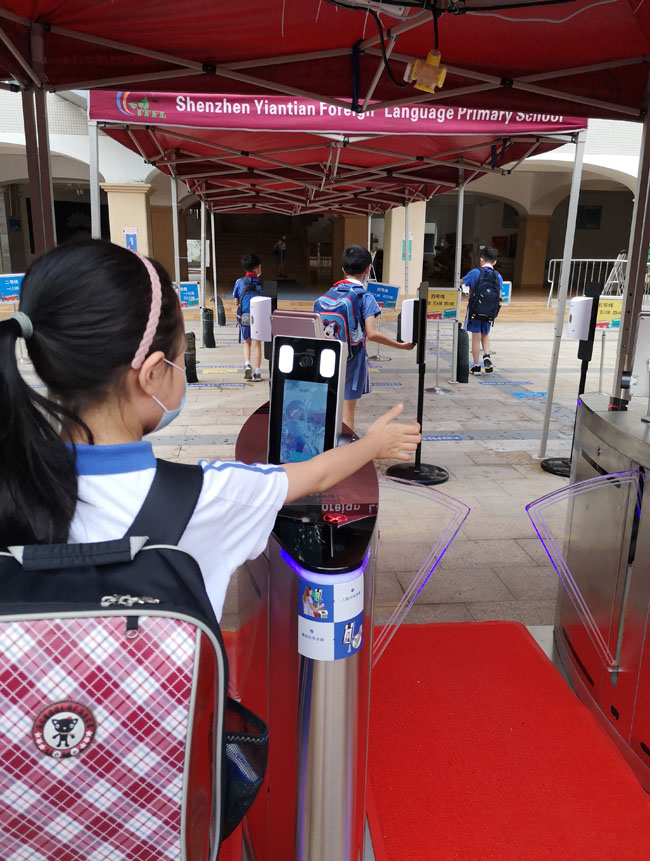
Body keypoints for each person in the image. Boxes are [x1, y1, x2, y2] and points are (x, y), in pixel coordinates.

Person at [0, 239, 420, 623]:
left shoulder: (12, 482)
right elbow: (316, 475)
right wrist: (373, 444)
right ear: (150, 375)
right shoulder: (210, 497)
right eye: (180, 358)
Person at [324, 244, 413, 432]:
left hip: (328, 357)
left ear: (343, 269)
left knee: (329, 406)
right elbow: (372, 333)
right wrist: (400, 346)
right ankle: (347, 452)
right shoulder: (365, 297)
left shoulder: (329, 294)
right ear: (367, 269)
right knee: (348, 412)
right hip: (353, 358)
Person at [461, 245, 503, 375]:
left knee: (475, 337)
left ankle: (476, 366)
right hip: (490, 310)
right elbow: (500, 295)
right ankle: (486, 355)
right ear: (495, 262)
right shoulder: (498, 276)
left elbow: (461, 282)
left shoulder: (475, 272)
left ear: (481, 259)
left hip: (475, 310)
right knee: (485, 334)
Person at [233, 253, 263, 381]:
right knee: (257, 343)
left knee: (247, 342)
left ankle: (247, 365)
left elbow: (236, 302)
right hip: (259, 316)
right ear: (256, 269)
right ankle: (257, 372)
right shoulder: (262, 283)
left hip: (245, 316)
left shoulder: (239, 282)